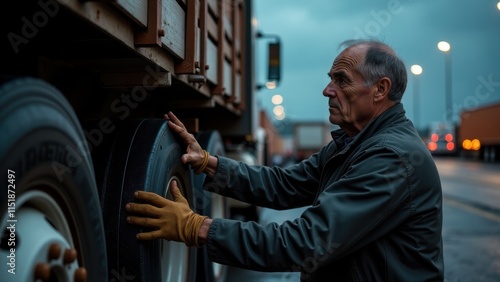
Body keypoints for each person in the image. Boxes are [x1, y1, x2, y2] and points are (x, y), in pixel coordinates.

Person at [126, 39, 444, 281]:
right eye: (330, 79)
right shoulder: (355, 144)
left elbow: (305, 242)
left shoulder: (391, 157)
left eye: (342, 80)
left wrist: (198, 227)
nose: (327, 90)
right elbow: (284, 184)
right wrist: (209, 163)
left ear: (380, 90)